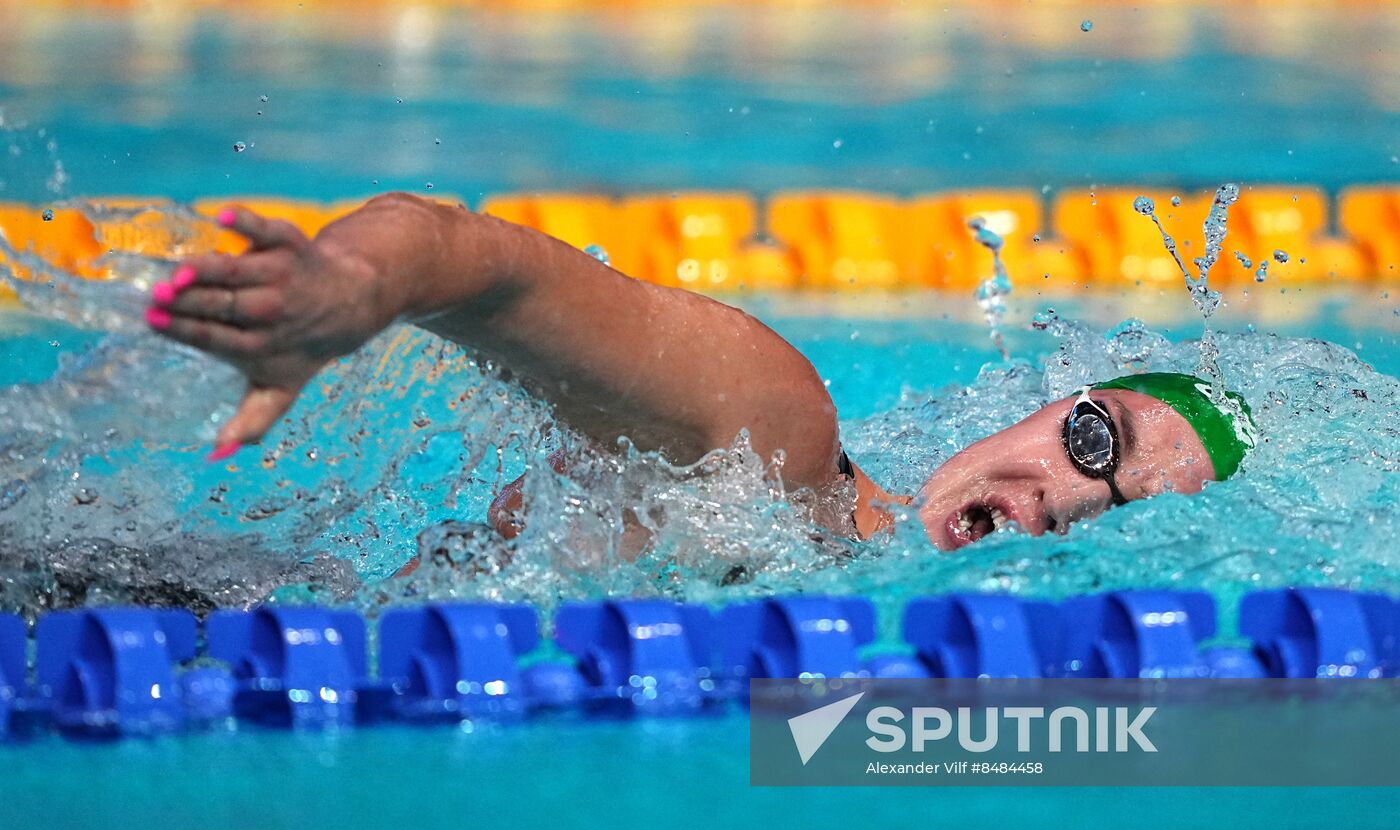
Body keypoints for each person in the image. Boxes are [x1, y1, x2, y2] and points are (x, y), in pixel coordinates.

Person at [144, 193, 1257, 553]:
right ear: (1046, 403)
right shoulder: (781, 445)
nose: (1057, 502)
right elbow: (480, 261)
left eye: (1120, 522)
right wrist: (352, 288)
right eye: (1092, 442)